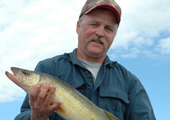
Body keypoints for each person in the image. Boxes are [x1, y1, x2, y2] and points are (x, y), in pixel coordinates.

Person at [14, 0, 156, 120]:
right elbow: (24, 114)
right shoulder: (49, 68)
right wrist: (36, 117)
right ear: (78, 26)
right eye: (94, 24)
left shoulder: (130, 82)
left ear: (114, 35)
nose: (100, 33)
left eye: (108, 29)